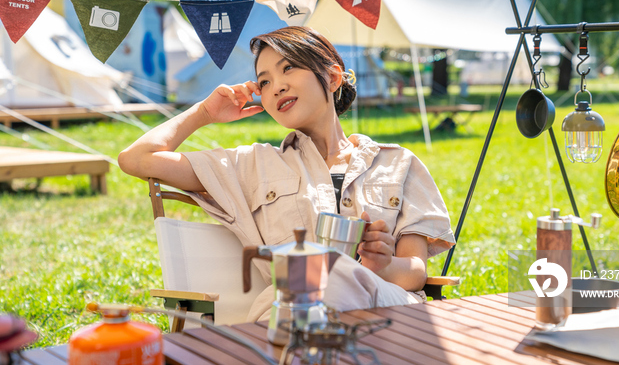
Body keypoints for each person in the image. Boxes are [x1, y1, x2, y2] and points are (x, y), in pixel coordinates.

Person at [119, 26, 455, 321]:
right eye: (264, 82)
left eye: (289, 68)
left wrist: (383, 264)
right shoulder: (251, 165)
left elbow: (416, 272)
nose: (276, 86)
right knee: (315, 276)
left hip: (388, 314)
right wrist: (204, 112)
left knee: (332, 273)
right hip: (291, 315)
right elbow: (137, 159)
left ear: (333, 77)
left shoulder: (397, 163)